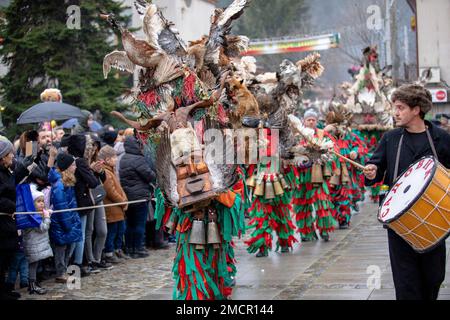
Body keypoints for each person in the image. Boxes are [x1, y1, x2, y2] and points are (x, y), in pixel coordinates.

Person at [363, 84, 450, 300]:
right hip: (399, 224)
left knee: (433, 279)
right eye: (395, 107)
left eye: (400, 107)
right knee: (405, 283)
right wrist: (372, 171)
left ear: (416, 109)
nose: (396, 112)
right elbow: (375, 166)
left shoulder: (441, 138)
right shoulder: (391, 138)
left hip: (433, 222)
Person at [0, 137, 33, 300]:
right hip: (2, 221)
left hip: (8, 220)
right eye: (9, 155)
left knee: (8, 253)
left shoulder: (6, 171)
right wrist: (11, 206)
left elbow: (14, 182)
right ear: (2, 156)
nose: (12, 157)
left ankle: (5, 288)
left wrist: (30, 162)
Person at [48, 153, 83, 283]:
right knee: (61, 249)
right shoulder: (59, 185)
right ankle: (61, 272)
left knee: (68, 247)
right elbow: (61, 207)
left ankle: (65, 270)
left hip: (69, 220)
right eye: (73, 165)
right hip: (62, 223)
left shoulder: (67, 182)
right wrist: (68, 224)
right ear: (67, 167)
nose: (75, 167)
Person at [119, 136, 155, 258]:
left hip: (128, 196)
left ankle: (130, 248)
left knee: (130, 224)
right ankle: (138, 248)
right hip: (139, 196)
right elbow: (149, 175)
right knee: (139, 223)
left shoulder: (123, 158)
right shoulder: (138, 159)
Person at [98, 145, 130, 263]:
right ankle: (109, 253)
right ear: (107, 159)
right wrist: (122, 201)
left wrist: (124, 199)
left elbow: (118, 188)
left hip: (117, 208)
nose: (116, 159)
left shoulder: (111, 171)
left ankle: (117, 249)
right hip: (112, 207)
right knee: (112, 231)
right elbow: (110, 191)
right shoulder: (106, 172)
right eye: (114, 157)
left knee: (120, 230)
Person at [22, 187, 53, 294]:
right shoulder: (32, 216)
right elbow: (42, 228)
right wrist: (47, 217)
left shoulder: (37, 214)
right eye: (38, 201)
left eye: (43, 201)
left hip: (37, 245)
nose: (42, 204)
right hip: (33, 245)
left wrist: (45, 215)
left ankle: (34, 283)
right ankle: (32, 285)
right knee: (33, 265)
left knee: (35, 265)